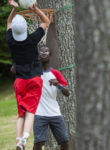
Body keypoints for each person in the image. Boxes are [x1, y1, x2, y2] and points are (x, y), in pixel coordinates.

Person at [6, 0, 50, 150]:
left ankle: (19, 142)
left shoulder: (10, 40)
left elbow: (8, 23)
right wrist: (35, 9)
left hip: (19, 82)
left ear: (14, 32)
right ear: (26, 27)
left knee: (21, 114)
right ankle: (25, 140)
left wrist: (14, 9)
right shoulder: (32, 39)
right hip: (34, 80)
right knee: (31, 112)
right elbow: (46, 21)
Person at [32, 46, 70, 150]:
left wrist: (58, 85)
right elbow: (14, 70)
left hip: (55, 113)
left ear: (50, 56)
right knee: (38, 143)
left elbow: (67, 93)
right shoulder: (33, 73)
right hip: (39, 113)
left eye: (46, 51)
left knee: (64, 141)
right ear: (39, 56)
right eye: (41, 51)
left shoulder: (56, 73)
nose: (44, 53)